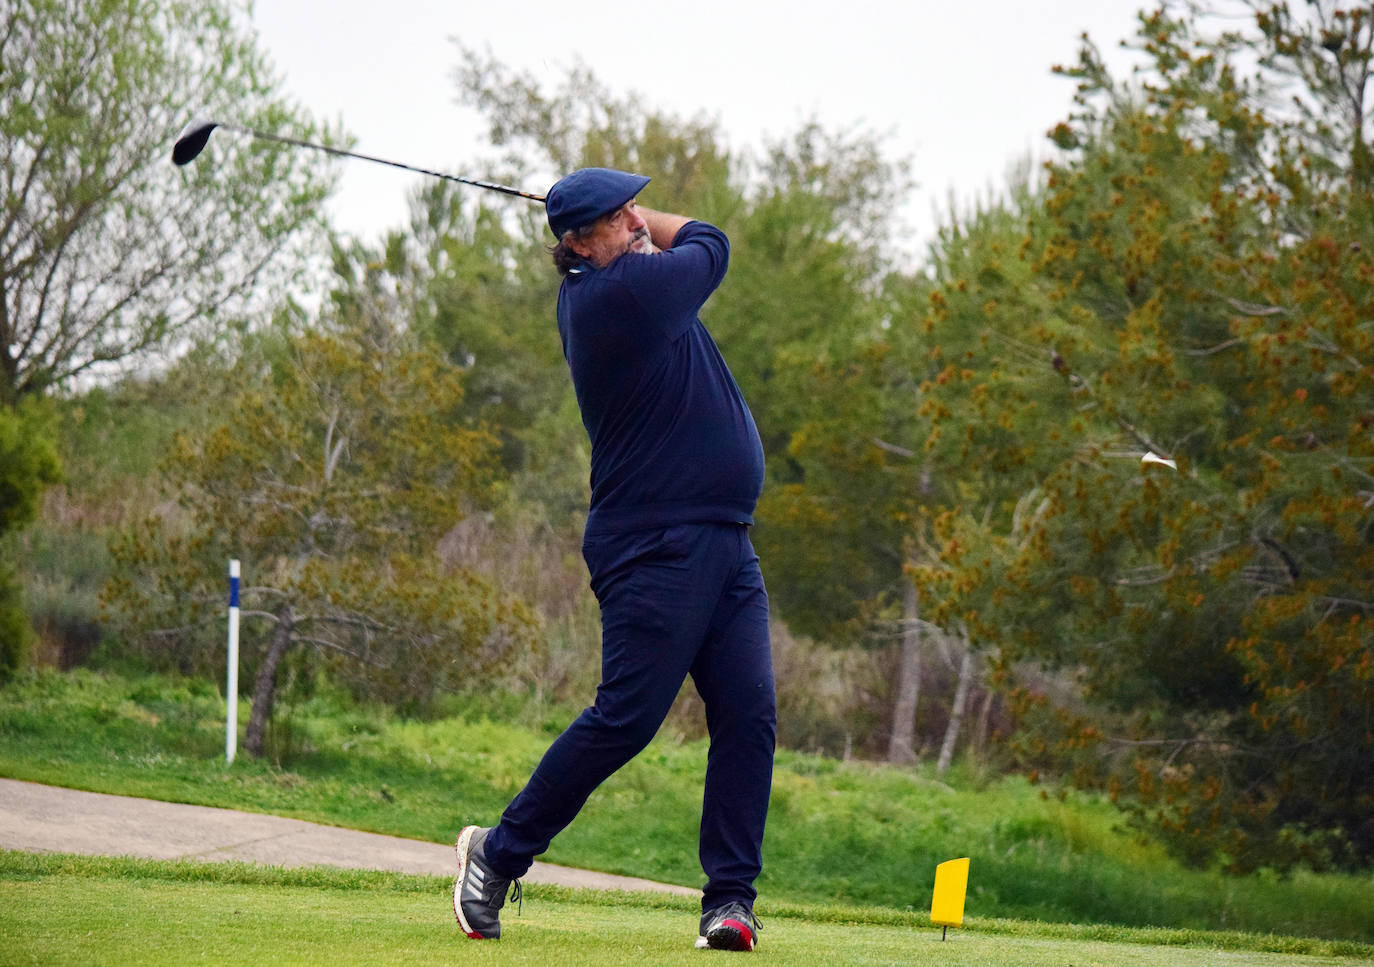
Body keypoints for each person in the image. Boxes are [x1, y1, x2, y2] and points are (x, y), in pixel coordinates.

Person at [452, 167, 776, 952]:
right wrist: (646, 223)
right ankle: (497, 852)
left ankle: (729, 900)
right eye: (614, 217)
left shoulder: (627, 273)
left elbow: (668, 240)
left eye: (633, 205)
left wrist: (619, 218)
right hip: (654, 543)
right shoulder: (617, 299)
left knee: (749, 713)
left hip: (725, 540)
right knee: (627, 718)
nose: (634, 221)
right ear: (575, 244)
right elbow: (712, 241)